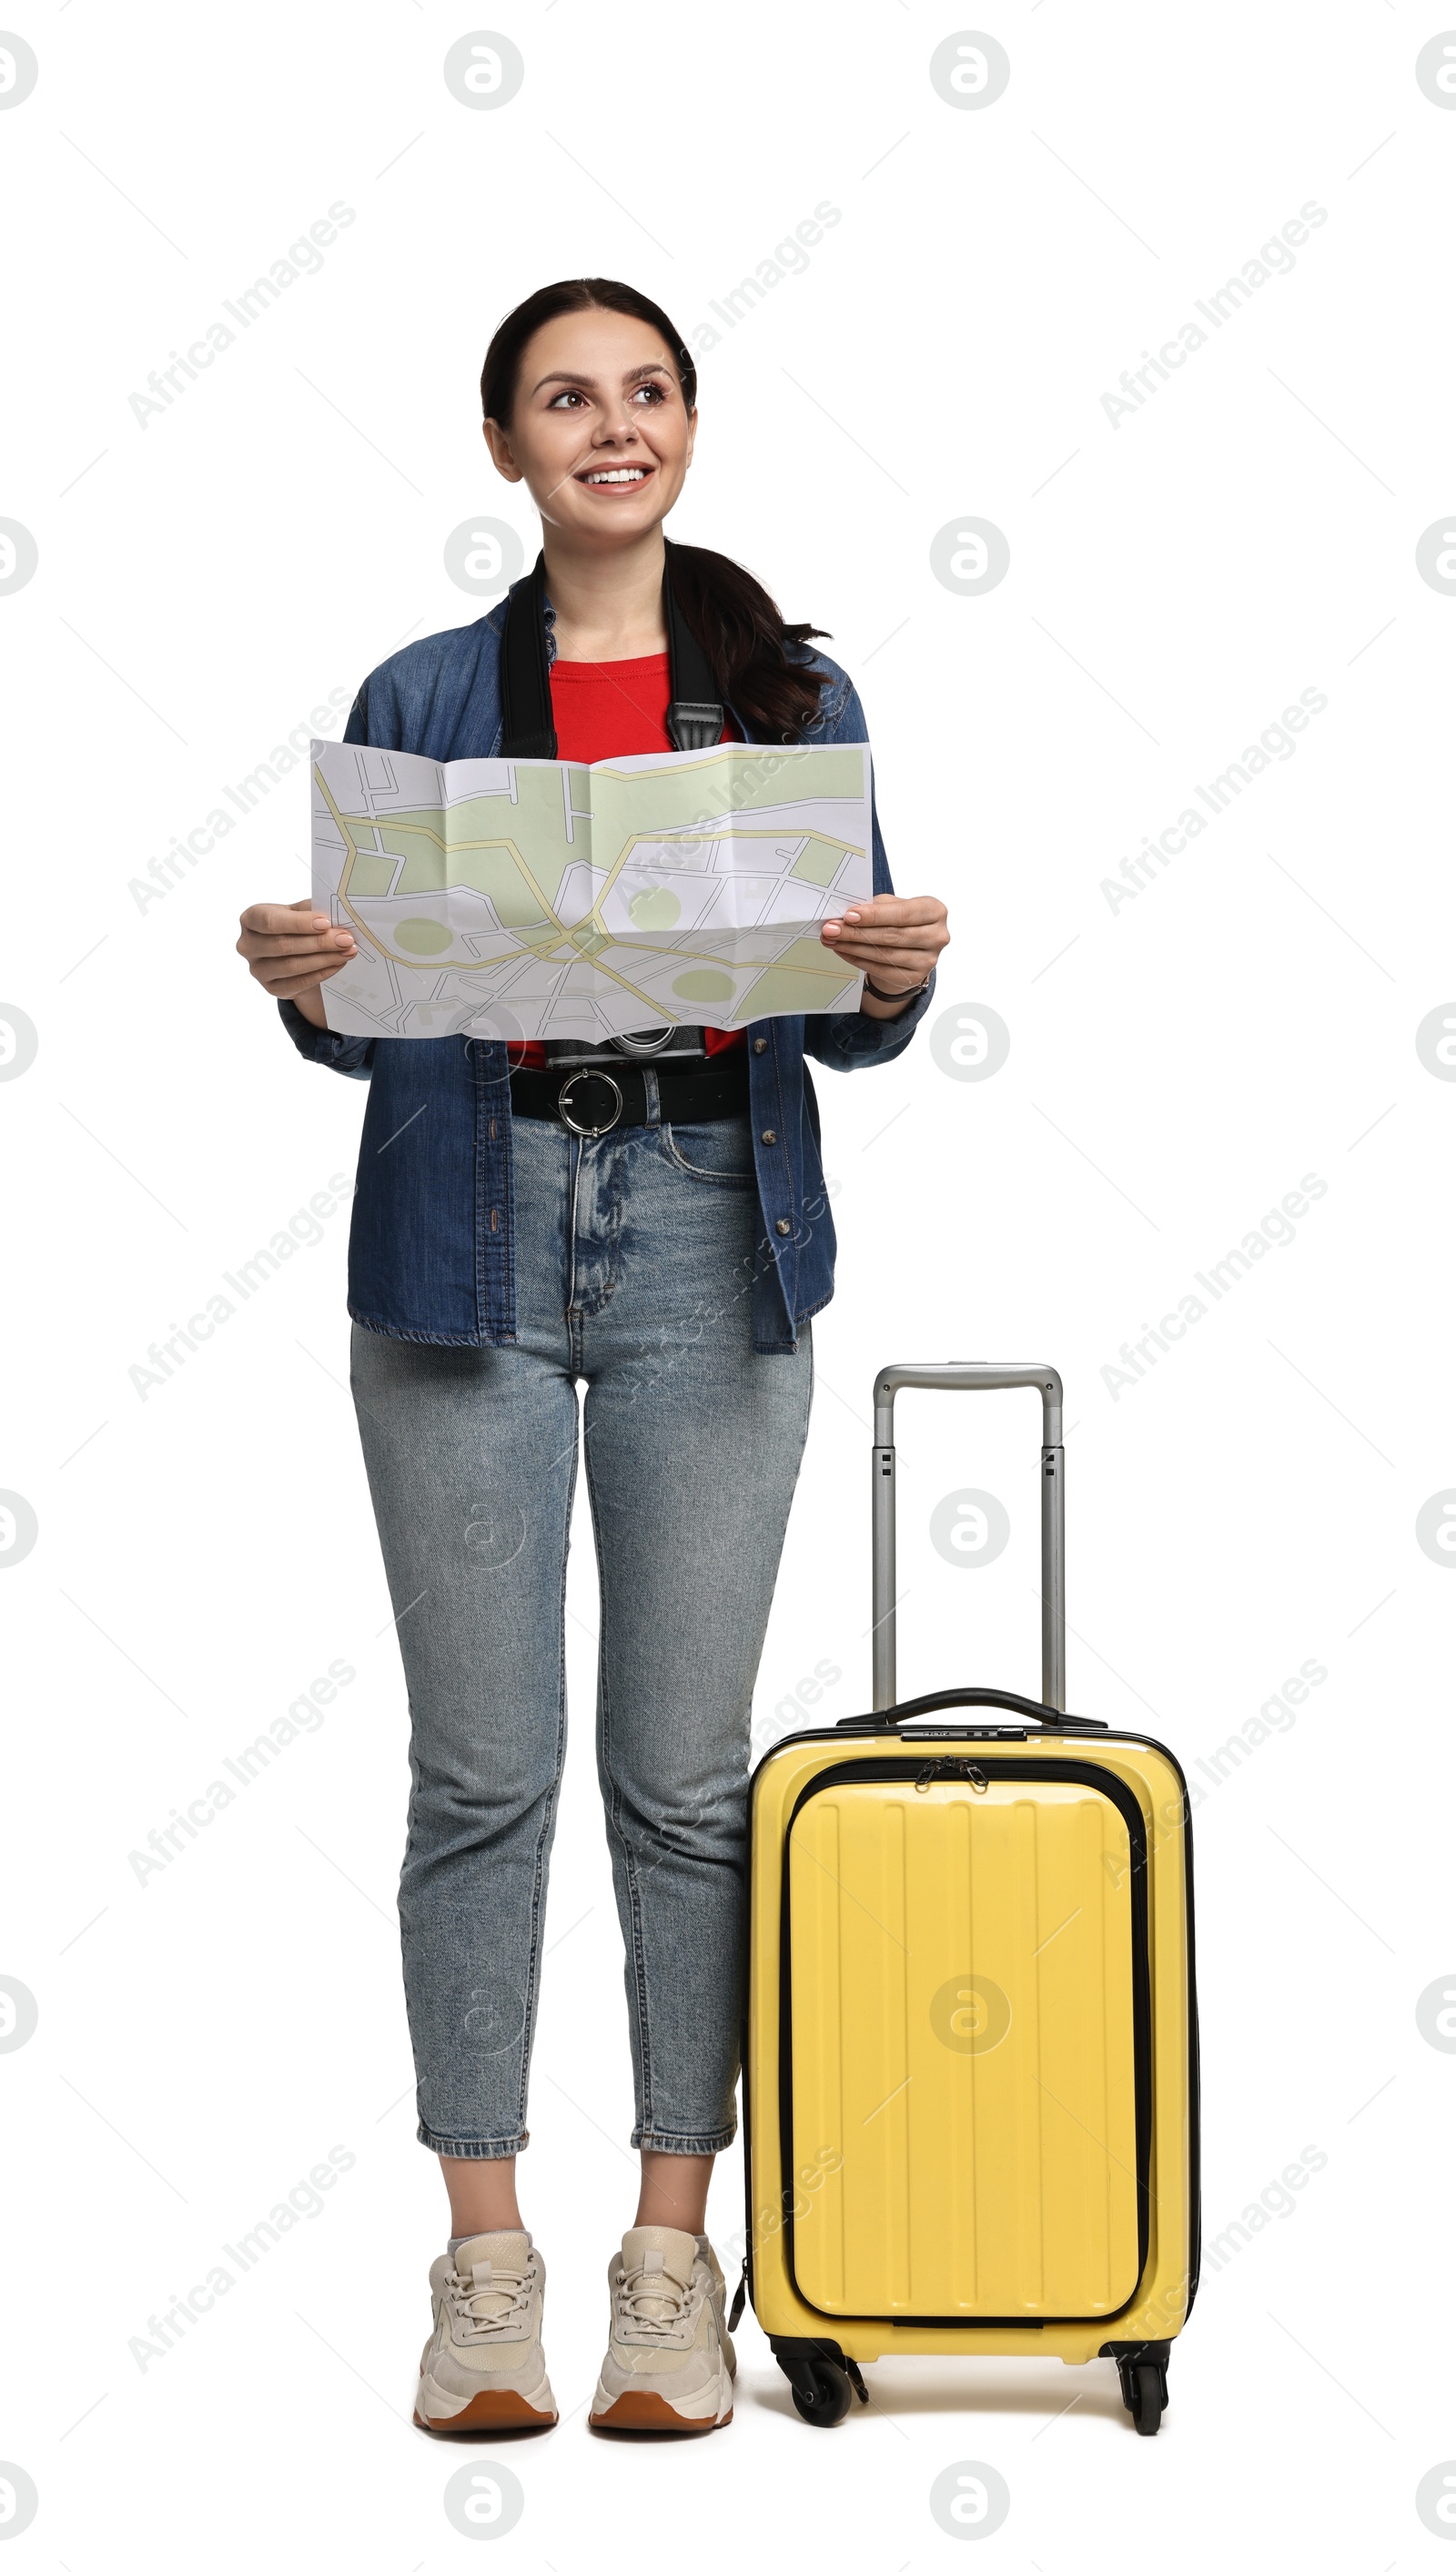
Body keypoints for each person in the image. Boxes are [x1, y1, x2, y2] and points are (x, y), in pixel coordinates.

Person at [237, 278, 948, 2437]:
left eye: (642, 393)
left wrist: (893, 973)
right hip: (467, 1225)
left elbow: (842, 1004)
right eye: (565, 398)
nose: (607, 427)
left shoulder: (784, 685)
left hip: (708, 1233)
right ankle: (480, 2266)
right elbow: (366, 1014)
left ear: (688, 429)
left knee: (680, 1778)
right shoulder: (426, 688)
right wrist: (302, 976)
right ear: (505, 447)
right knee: (483, 1772)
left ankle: (668, 2257)